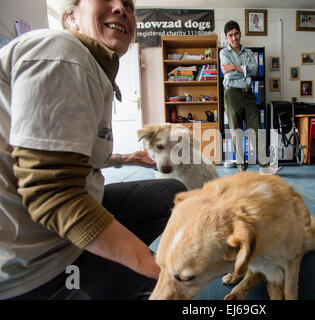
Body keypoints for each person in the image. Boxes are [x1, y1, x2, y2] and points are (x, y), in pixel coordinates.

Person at [0, 0, 187, 300]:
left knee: (172, 195)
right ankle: (105, 264)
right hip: (36, 262)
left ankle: (105, 252)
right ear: (72, 17)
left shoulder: (94, 70)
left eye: (128, 4)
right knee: (166, 293)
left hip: (62, 228)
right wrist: (161, 271)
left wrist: (128, 158)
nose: (121, 8)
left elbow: (80, 156)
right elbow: (54, 195)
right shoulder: (63, 53)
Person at [220, 20, 282, 174]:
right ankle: (242, 168)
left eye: (236, 34)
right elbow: (227, 75)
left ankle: (265, 166)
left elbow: (254, 70)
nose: (234, 38)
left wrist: (234, 67)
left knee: (256, 130)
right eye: (230, 35)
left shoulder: (248, 53)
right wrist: (244, 70)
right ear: (226, 38)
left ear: (240, 34)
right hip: (231, 94)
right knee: (236, 131)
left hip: (248, 94)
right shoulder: (224, 53)